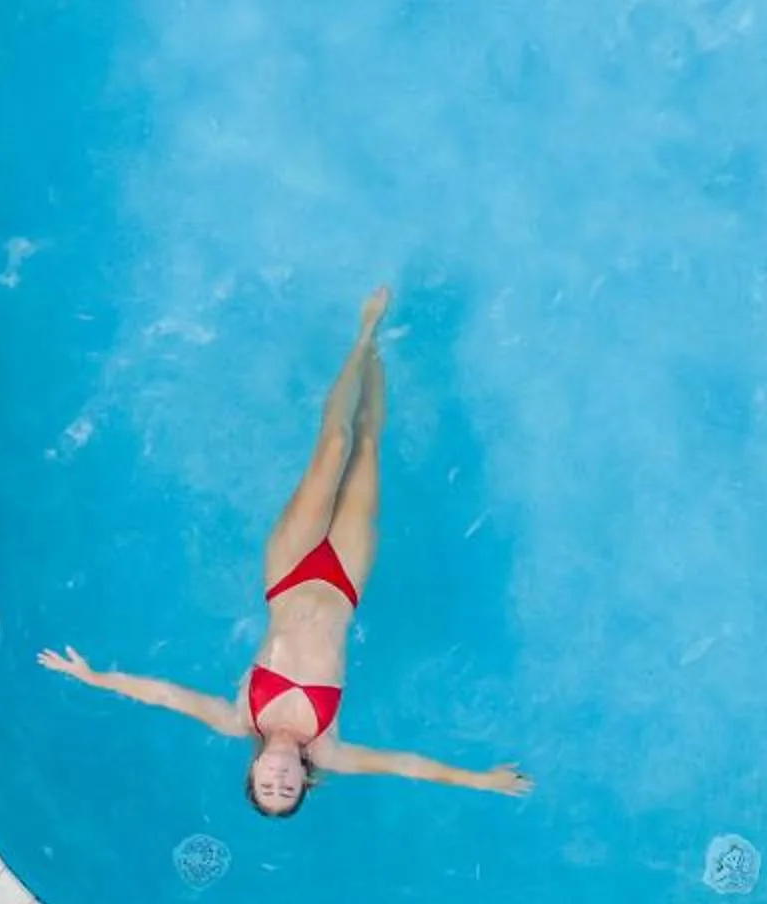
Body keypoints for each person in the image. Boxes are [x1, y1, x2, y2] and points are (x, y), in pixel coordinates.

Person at [38, 287, 533, 817]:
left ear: (253, 772)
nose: (277, 779)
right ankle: (381, 353)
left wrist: (93, 678)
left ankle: (364, 333)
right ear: (305, 779)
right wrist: (479, 780)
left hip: (290, 571)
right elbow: (405, 765)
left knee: (335, 446)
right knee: (367, 445)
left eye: (266, 786)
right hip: (345, 579)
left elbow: (164, 695)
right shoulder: (331, 749)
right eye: (287, 789)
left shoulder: (237, 718)